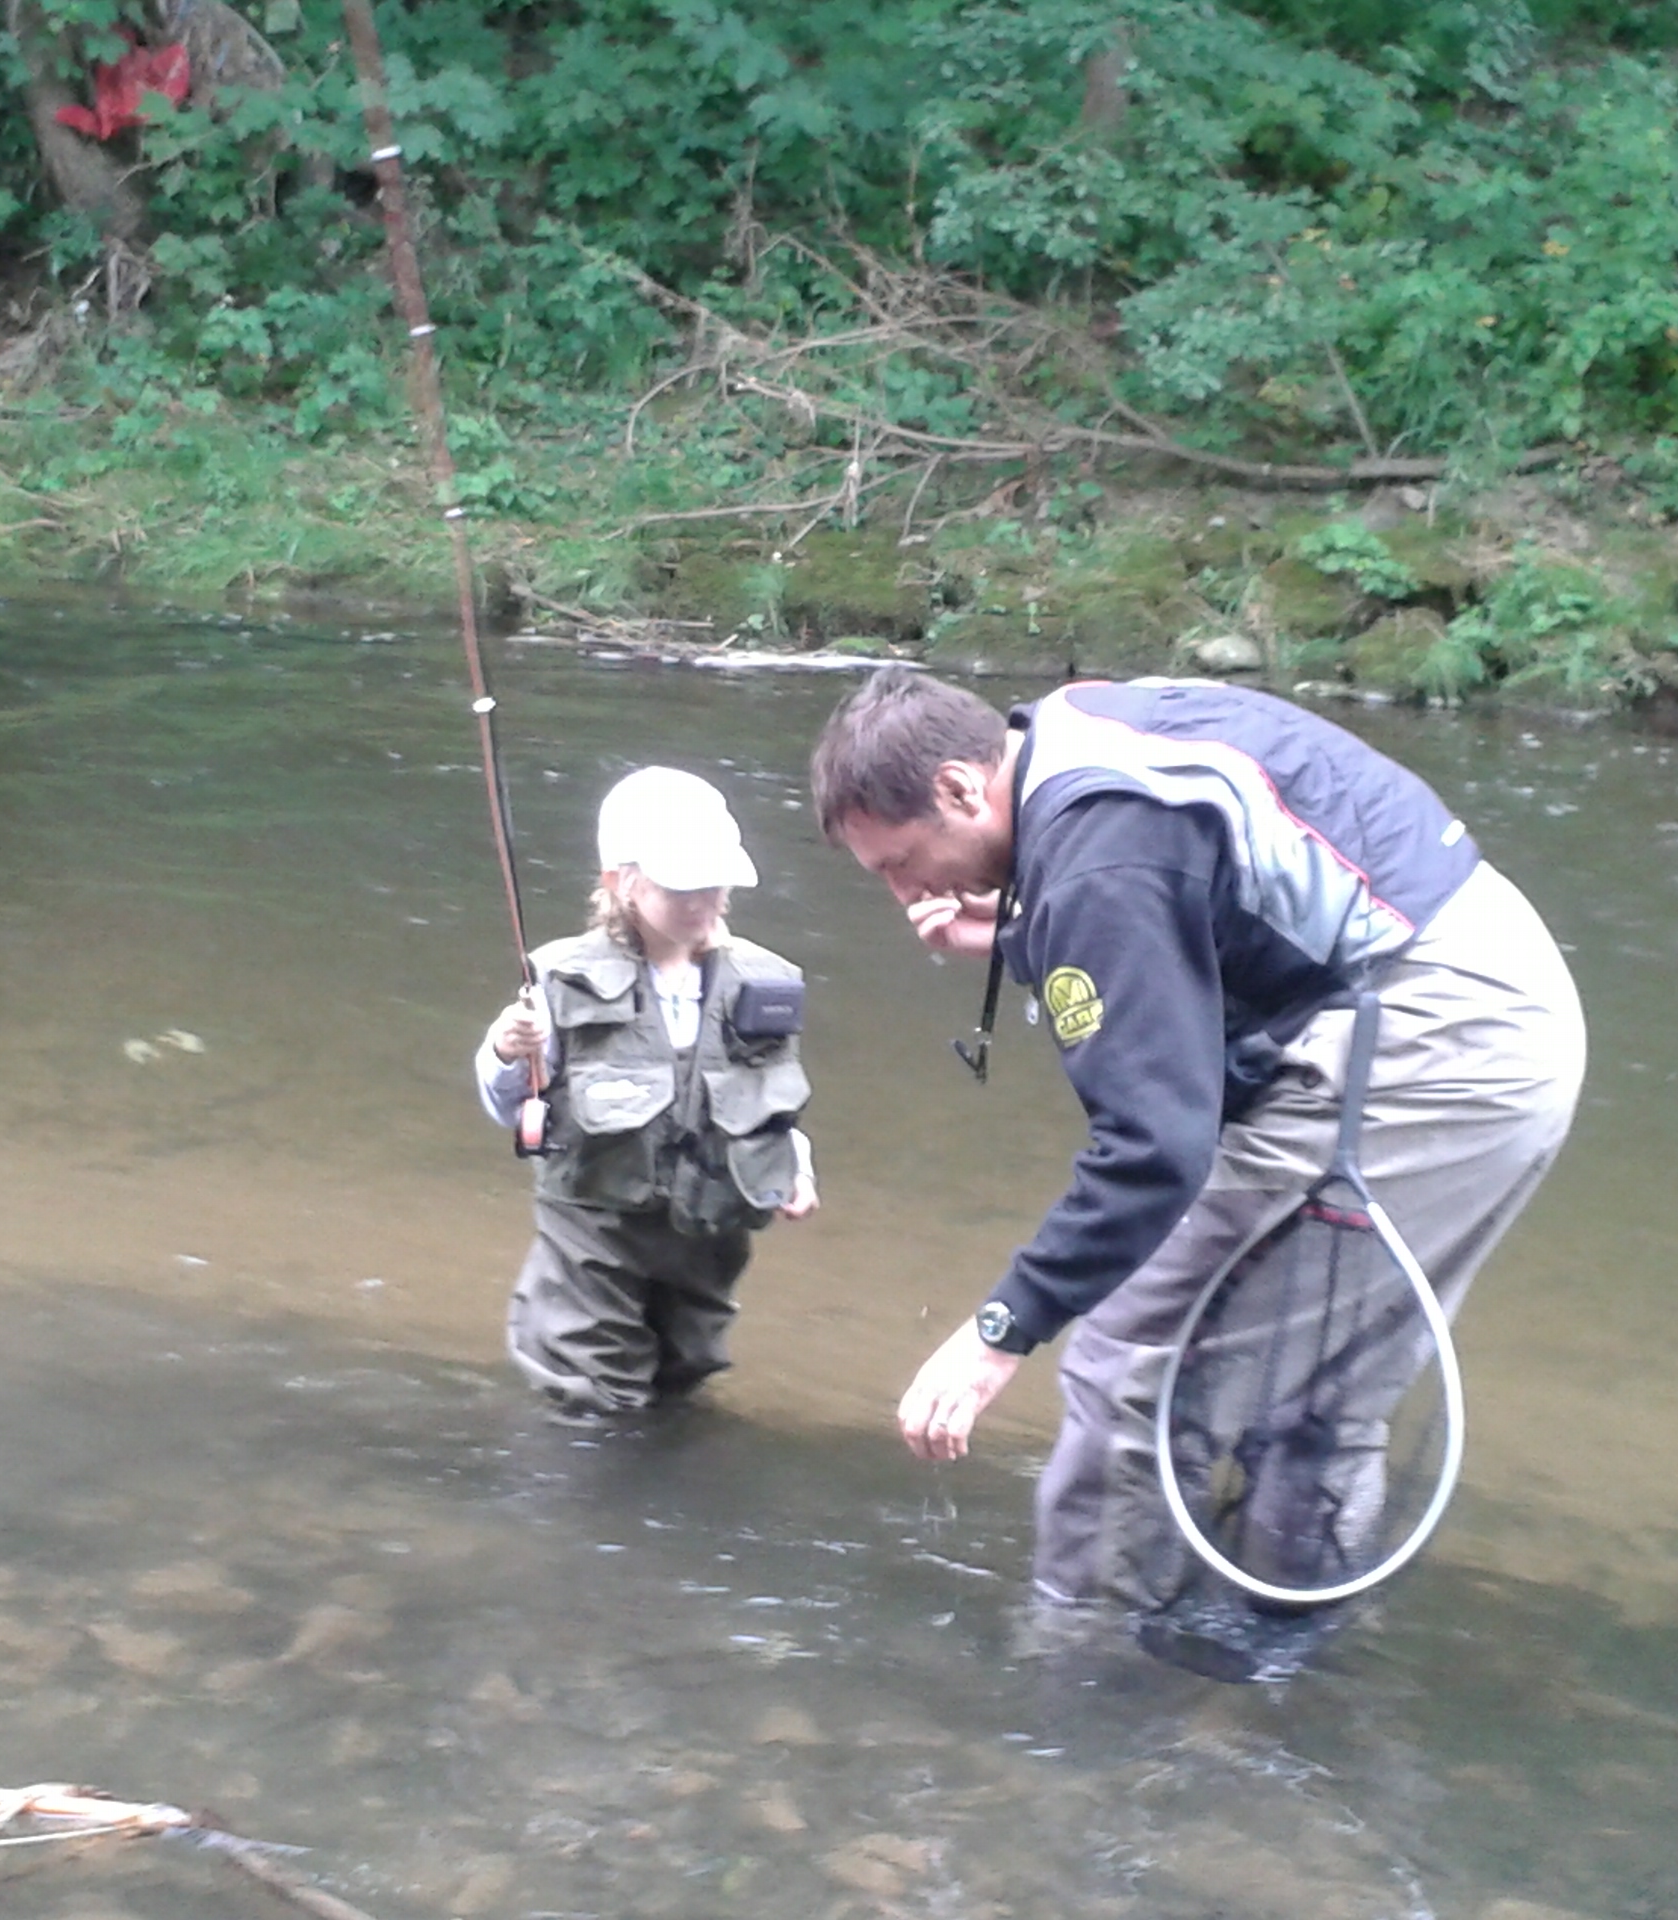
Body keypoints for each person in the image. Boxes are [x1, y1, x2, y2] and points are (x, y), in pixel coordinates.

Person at [808, 670, 1585, 1621]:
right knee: (1312, 1398)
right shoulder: (1074, 728)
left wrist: (998, 1332)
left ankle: (1083, 1666)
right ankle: (1286, 1677)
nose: (904, 893)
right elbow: (1193, 914)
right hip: (1493, 991)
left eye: (900, 862)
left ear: (961, 788)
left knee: (1132, 1363)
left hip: (1436, 1044)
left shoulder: (1098, 862)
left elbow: (1155, 1151)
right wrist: (1027, 936)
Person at [474, 767, 819, 1414]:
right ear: (621, 883)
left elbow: (771, 1098)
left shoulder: (764, 983)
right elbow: (509, 1108)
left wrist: (794, 1166)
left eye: (715, 884)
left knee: (682, 1385)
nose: (704, 901)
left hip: (708, 1235)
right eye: (682, 887)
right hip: (594, 1234)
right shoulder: (560, 981)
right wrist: (505, 1051)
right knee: (592, 1397)